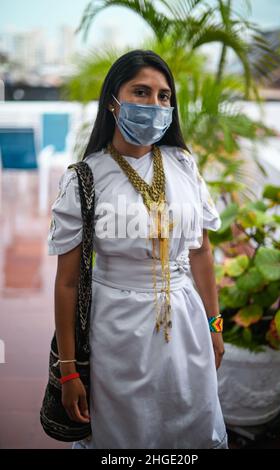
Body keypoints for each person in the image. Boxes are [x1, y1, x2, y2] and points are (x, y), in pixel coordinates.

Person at [47, 49, 228, 449]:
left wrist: (214, 325)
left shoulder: (183, 165)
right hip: (116, 331)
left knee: (190, 427)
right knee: (125, 436)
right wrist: (69, 371)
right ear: (113, 101)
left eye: (164, 97)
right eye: (141, 92)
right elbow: (67, 283)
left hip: (186, 325)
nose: (155, 105)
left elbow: (200, 252)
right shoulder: (86, 178)